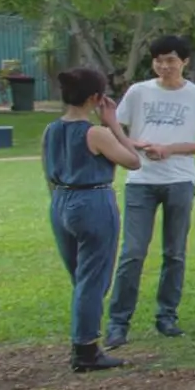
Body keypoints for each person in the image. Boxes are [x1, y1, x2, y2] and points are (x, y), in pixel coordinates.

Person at [106, 35, 195, 349]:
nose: (164, 66)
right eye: (158, 60)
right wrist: (140, 145)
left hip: (180, 181)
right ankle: (118, 323)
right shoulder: (138, 92)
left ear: (184, 62)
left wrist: (172, 149)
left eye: (171, 60)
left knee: (174, 253)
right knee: (132, 254)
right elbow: (116, 133)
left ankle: (166, 316)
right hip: (141, 182)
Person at [44, 68, 145, 371]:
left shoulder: (51, 130)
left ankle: (84, 343)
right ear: (95, 98)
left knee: (81, 277)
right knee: (93, 280)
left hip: (61, 200)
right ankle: (86, 350)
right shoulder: (95, 133)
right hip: (93, 199)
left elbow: (47, 170)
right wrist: (113, 124)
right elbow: (133, 161)